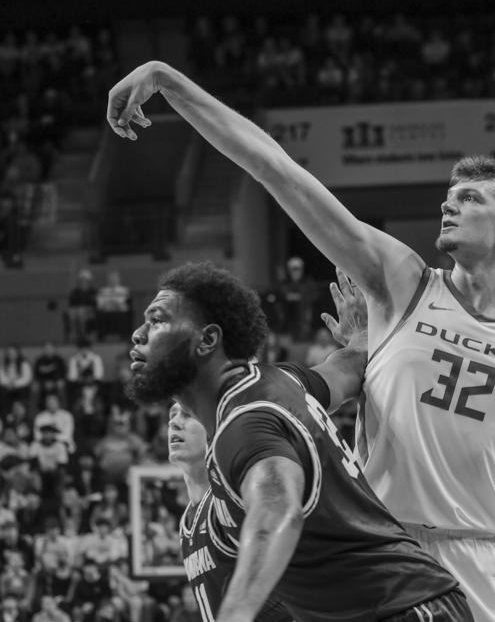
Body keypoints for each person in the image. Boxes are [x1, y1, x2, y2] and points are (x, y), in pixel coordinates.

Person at [110, 63, 495, 622]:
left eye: (470, 198)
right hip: (379, 553)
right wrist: (170, 83)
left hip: (482, 558)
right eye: (449, 195)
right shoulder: (402, 280)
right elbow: (277, 171)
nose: (448, 204)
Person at [125, 261, 471, 620]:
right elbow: (349, 369)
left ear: (208, 340)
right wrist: (362, 336)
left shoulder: (244, 422)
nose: (138, 333)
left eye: (157, 319)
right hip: (410, 602)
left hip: (400, 609)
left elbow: (277, 511)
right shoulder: (281, 382)